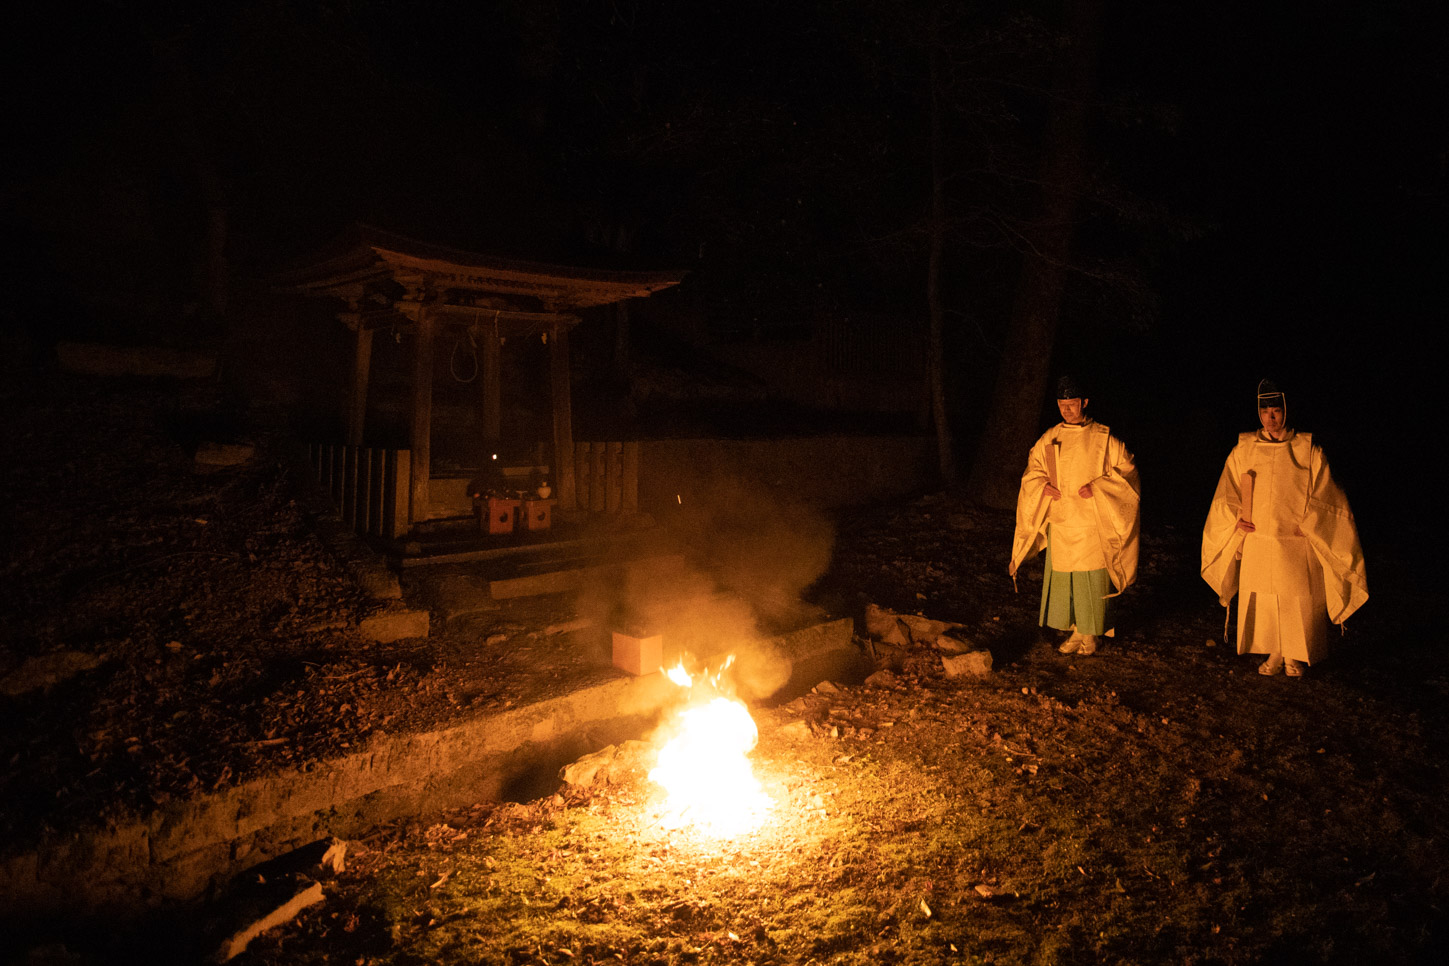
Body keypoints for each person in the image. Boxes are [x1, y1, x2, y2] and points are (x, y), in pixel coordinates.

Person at [1200, 380, 1368, 676]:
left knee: (1295, 599)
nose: (1271, 418)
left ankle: (1294, 654)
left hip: (1295, 538)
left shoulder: (1307, 449)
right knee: (1264, 597)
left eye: (1276, 411)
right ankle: (1274, 652)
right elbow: (1228, 490)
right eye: (1265, 412)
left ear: (1286, 411)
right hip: (1258, 536)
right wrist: (1235, 520)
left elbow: (1327, 491)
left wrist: (1313, 522)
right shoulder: (1245, 447)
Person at [1010, 376, 1141, 655]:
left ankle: (1090, 634)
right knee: (1066, 579)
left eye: (1072, 405)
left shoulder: (1104, 438)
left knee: (1089, 580)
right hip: (1061, 520)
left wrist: (1100, 487)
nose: (1066, 410)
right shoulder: (1051, 437)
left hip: (1091, 524)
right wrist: (1043, 486)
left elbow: (1127, 472)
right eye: (1062, 405)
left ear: (1084, 403)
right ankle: (1074, 630)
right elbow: (1033, 470)